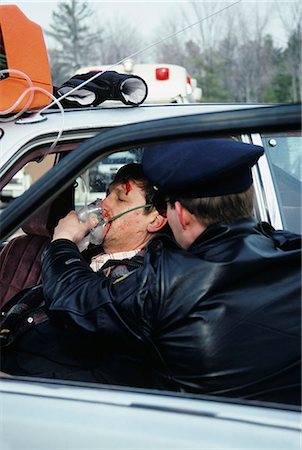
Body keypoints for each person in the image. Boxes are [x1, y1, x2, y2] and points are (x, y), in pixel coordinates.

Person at [38, 138, 301, 405]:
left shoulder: (166, 282)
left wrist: (63, 242)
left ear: (180, 214)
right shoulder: (291, 252)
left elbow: (72, 300)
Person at [0, 163, 167, 385]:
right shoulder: (86, 256)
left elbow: (94, 368)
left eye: (120, 199)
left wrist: (63, 242)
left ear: (155, 220)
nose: (103, 203)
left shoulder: (140, 281)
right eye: (107, 194)